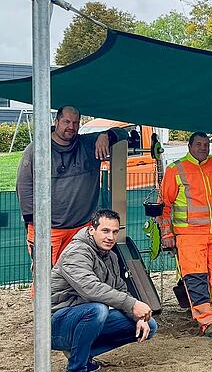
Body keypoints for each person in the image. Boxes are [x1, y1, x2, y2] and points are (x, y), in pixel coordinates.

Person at [51, 209, 157, 372]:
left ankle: (82, 356)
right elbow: (90, 288)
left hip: (81, 316)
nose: (111, 237)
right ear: (92, 230)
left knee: (149, 324)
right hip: (55, 324)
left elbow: (121, 289)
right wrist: (132, 304)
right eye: (105, 231)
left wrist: (137, 314)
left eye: (115, 232)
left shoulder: (111, 256)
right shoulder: (76, 252)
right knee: (97, 310)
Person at [16, 105, 128, 266]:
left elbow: (124, 133)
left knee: (81, 273)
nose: (71, 127)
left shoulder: (88, 144)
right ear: (57, 121)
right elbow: (24, 185)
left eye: (75, 123)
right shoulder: (37, 149)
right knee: (45, 276)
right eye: (66, 121)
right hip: (48, 230)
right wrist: (32, 222)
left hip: (82, 229)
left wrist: (106, 135)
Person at [160, 132, 212, 339]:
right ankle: (207, 321)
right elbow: (164, 205)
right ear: (189, 146)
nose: (203, 148)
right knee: (196, 278)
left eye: (206, 144)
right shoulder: (176, 169)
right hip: (189, 234)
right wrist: (167, 233)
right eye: (199, 144)